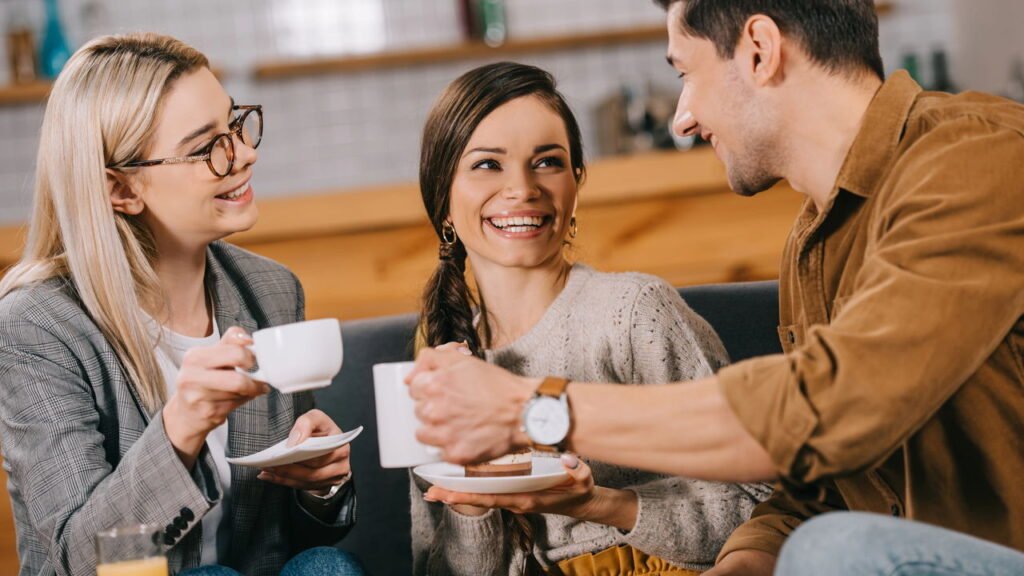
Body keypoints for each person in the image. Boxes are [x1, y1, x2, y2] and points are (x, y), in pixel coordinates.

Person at [405, 1, 1024, 575]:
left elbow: (828, 410)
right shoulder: (816, 236)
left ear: (759, 49)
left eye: (684, 73)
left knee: (834, 549)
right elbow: (820, 487)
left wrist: (530, 410)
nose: (682, 118)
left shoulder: (974, 158)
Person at [0, 34, 365, 576]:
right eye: (205, 147)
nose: (245, 154)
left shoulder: (270, 290)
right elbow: (81, 560)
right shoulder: (37, 326)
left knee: (325, 566)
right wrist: (181, 429)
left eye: (235, 125)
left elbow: (281, 543)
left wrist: (320, 484)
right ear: (120, 190)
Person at [409, 61, 769, 576]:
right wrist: (471, 508)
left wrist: (599, 504)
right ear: (442, 197)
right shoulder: (439, 355)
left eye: (547, 162)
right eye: (488, 164)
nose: (522, 188)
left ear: (576, 183)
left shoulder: (634, 313)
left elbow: (759, 507)